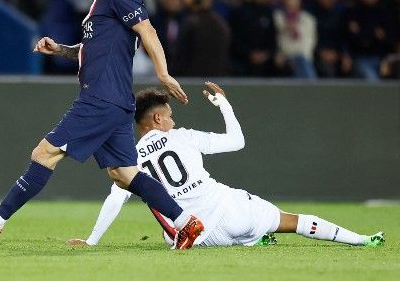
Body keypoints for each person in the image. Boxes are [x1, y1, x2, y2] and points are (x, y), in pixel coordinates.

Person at [0, 0, 205, 250]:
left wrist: (163, 74)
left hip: (100, 99)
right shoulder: (100, 3)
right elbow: (91, 50)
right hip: (114, 102)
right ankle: (186, 223)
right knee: (124, 173)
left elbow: (147, 30)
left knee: (43, 153)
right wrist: (60, 49)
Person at [66, 82, 385, 248]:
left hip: (196, 235)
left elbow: (116, 197)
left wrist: (92, 240)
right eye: (170, 115)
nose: (173, 120)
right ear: (159, 118)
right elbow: (237, 141)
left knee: (180, 228)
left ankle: (252, 239)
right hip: (230, 213)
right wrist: (224, 105)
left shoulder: (131, 156)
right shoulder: (183, 136)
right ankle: (362, 240)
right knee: (292, 221)